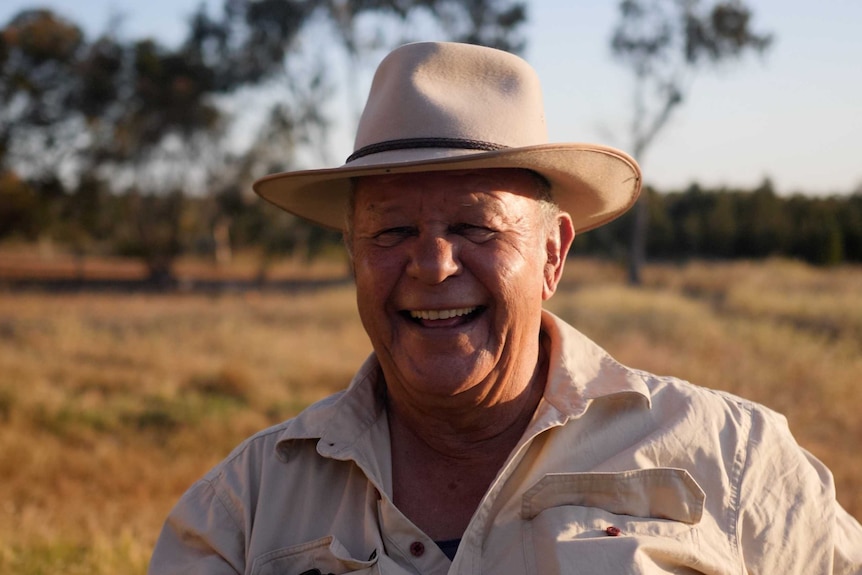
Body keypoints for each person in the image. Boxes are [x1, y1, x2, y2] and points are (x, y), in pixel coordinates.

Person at [148, 42, 862, 574]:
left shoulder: (737, 464)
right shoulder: (243, 511)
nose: (432, 265)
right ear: (353, 254)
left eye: (475, 227)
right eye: (393, 230)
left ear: (553, 254)